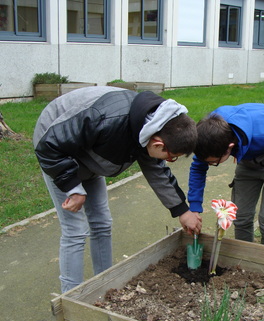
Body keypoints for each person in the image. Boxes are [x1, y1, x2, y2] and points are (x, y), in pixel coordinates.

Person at [33, 86, 201, 293]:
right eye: (171, 156)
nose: (169, 161)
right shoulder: (104, 118)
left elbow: (157, 171)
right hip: (57, 150)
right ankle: (71, 297)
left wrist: (182, 211)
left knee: (102, 223)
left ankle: (105, 285)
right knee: (75, 230)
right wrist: (73, 188)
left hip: (88, 155)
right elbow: (49, 146)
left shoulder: (151, 126)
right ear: (158, 144)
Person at [188, 103, 264, 247]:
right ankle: (244, 262)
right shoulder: (208, 136)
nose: (209, 164)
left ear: (229, 147)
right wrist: (194, 207)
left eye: (214, 162)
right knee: (240, 216)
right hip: (248, 163)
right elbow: (198, 168)